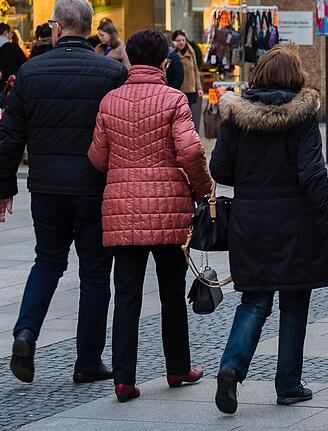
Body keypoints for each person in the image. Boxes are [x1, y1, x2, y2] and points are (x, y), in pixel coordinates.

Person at [210, 44, 328, 415]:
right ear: (296, 78)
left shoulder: (236, 118)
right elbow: (312, 176)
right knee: (293, 305)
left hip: (250, 222)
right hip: (295, 224)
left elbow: (219, 170)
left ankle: (230, 368)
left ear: (258, 75)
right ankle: (288, 385)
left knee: (254, 301)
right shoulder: (302, 118)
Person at [0, 0, 127, 384]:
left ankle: (26, 332)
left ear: (57, 28)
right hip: (94, 187)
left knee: (48, 261)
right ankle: (87, 361)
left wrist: (4, 188)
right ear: (88, 29)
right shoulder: (110, 72)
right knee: (94, 272)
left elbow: (10, 137)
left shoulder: (30, 71)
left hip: (48, 187)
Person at [88, 28, 212, 402]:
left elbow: (97, 157)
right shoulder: (174, 99)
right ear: (164, 62)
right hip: (169, 210)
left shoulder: (110, 101)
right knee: (172, 292)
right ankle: (178, 368)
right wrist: (204, 189)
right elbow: (190, 152)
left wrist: (125, 170)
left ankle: (123, 379)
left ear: (130, 60)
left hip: (123, 211)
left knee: (126, 295)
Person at [172, 30, 204, 130]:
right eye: (178, 40)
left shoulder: (191, 52)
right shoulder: (172, 54)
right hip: (177, 90)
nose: (181, 42)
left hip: (190, 90)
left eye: (183, 40)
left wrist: (199, 88)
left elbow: (195, 71)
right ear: (173, 41)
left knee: (187, 115)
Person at [0, 23, 27, 87]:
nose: (11, 36)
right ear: (5, 33)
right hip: (11, 86)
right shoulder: (13, 47)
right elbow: (24, 64)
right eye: (10, 33)